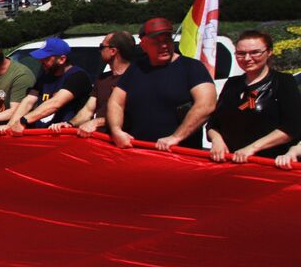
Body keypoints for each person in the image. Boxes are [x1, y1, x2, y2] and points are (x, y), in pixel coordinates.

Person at [107, 17, 217, 151]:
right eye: (156, 42)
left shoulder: (192, 67)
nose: (164, 46)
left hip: (178, 156)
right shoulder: (136, 68)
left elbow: (206, 105)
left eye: (167, 40)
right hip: (139, 152)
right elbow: (116, 102)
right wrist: (116, 130)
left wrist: (176, 137)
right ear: (144, 45)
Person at [206, 31, 301, 163]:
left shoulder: (283, 81)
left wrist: (252, 149)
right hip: (230, 162)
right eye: (241, 53)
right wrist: (217, 140)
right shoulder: (232, 83)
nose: (247, 58)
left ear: (269, 52)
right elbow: (213, 123)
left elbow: (291, 128)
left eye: (255, 52)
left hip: (268, 164)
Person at [2, 38, 93, 134]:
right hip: (42, 134)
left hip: (65, 135)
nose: (41, 61)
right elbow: (29, 101)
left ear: (62, 59)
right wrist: (10, 125)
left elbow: (55, 103)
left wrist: (24, 120)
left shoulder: (77, 76)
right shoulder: (45, 76)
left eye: (46, 58)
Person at [56, 32, 138, 136]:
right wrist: (69, 124)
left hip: (124, 144)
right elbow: (88, 110)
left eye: (102, 46)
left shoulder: (137, 78)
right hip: (99, 143)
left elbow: (135, 115)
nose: (99, 50)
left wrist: (97, 122)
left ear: (113, 51)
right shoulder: (102, 79)